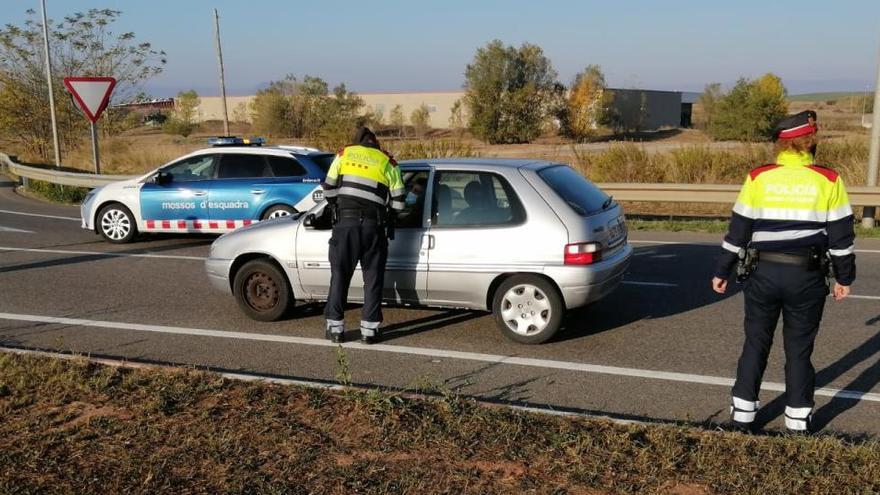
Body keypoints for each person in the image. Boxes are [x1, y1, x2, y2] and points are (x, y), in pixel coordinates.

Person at [711, 110, 855, 434]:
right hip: (806, 277)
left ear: (780, 144)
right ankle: (798, 422)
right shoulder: (829, 179)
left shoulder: (758, 177)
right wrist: (844, 278)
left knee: (755, 343)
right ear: (811, 141)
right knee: (799, 349)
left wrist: (723, 270)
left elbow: (738, 231)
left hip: (762, 273)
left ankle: (742, 417)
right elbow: (842, 238)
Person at [321, 127, 406, 344]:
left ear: (356, 141)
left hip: (345, 226)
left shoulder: (343, 155)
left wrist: (336, 207)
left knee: (340, 276)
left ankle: (336, 329)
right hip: (373, 228)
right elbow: (399, 202)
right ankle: (369, 331)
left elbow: (328, 189)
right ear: (375, 143)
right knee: (373, 279)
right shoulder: (387, 161)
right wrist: (387, 216)